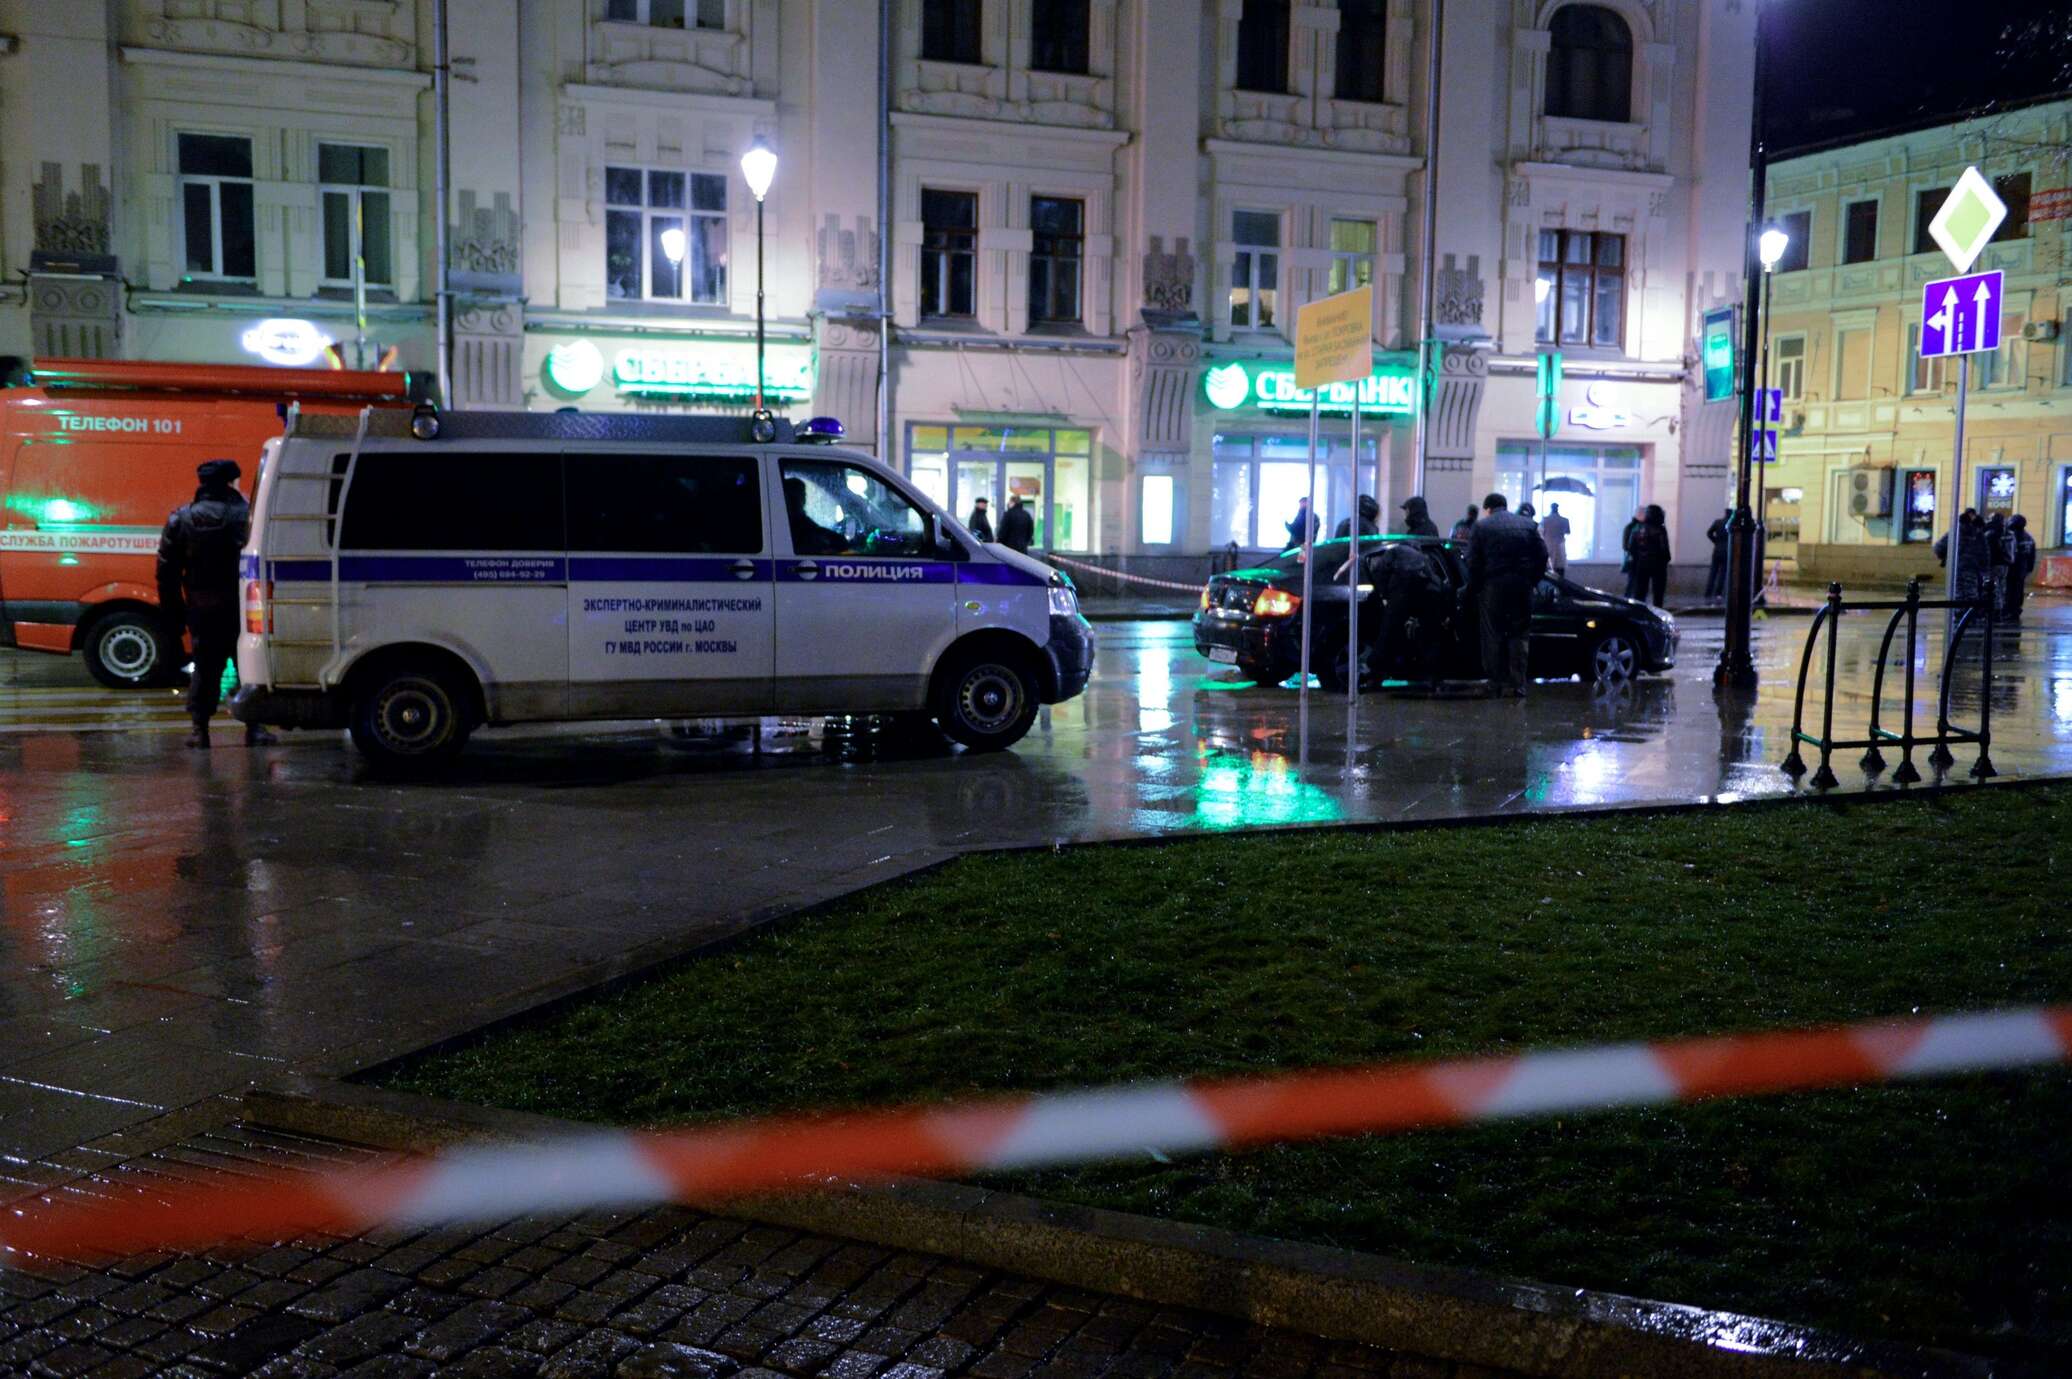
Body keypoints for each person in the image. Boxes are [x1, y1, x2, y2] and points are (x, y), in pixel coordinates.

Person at [156, 459, 273, 749]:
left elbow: (167, 573)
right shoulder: (247, 516)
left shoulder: (181, 518)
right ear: (231, 482)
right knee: (250, 666)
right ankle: (255, 727)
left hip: (203, 608)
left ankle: (200, 730)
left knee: (205, 667)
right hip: (244, 608)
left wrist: (174, 616)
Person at [1465, 492, 1548, 697]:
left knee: (1493, 635)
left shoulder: (1482, 527)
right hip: (1522, 586)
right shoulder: (1528, 525)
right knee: (1519, 635)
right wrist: (1532, 579)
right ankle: (1518, 684)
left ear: (1488, 509)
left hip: (1494, 587)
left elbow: (1472, 561)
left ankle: (1495, 683)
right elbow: (1543, 555)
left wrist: (1475, 587)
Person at [1933, 509, 1986, 601]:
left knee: (1956, 593)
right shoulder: (1977, 534)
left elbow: (1938, 548)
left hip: (1955, 567)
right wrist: (1983, 567)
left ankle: (1958, 609)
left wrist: (1946, 557)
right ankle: (1969, 609)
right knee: (1971, 593)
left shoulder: (1953, 533)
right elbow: (1984, 553)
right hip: (1972, 568)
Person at [1625, 504, 1672, 608]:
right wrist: (1666, 559)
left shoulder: (1638, 528)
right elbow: (1664, 548)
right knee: (1658, 593)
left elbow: (1631, 547)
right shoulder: (1660, 530)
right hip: (1658, 565)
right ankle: (1657, 613)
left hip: (1641, 564)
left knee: (1640, 593)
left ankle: (1639, 612)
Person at [2006, 514, 2037, 620]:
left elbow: (2008, 552)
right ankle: (2016, 609)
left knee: (2010, 589)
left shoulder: (2012, 536)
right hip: (2022, 567)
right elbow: (2032, 555)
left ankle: (2009, 610)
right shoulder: (2029, 537)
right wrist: (2030, 568)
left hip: (2012, 567)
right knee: (2019, 589)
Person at [1705, 507, 1731, 600]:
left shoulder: (1718, 522)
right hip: (1726, 551)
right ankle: (1718, 593)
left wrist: (1715, 541)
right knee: (1722, 573)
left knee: (1713, 572)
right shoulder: (1730, 525)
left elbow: (1709, 533)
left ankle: (1708, 592)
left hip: (1717, 550)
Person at [1539, 503, 1571, 578]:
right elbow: (1568, 532)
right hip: (1560, 550)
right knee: (1560, 576)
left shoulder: (1545, 520)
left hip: (1548, 549)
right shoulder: (1564, 520)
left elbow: (1540, 533)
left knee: (1548, 576)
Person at [1619, 508, 1643, 582]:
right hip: (1634, 561)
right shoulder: (1631, 527)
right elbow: (1625, 546)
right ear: (1639, 514)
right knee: (1632, 582)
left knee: (1635, 582)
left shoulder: (1632, 526)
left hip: (1638, 561)